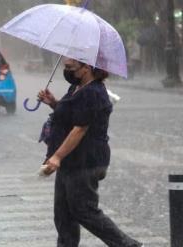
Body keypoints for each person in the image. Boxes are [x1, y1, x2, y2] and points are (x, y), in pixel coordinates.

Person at [37, 58, 143, 247]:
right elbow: (71, 115)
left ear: (86, 68)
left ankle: (128, 245)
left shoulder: (93, 92)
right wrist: (53, 103)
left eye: (70, 68)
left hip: (86, 161)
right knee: (63, 214)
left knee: (84, 211)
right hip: (72, 161)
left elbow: (80, 128)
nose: (67, 71)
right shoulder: (77, 87)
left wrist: (57, 157)